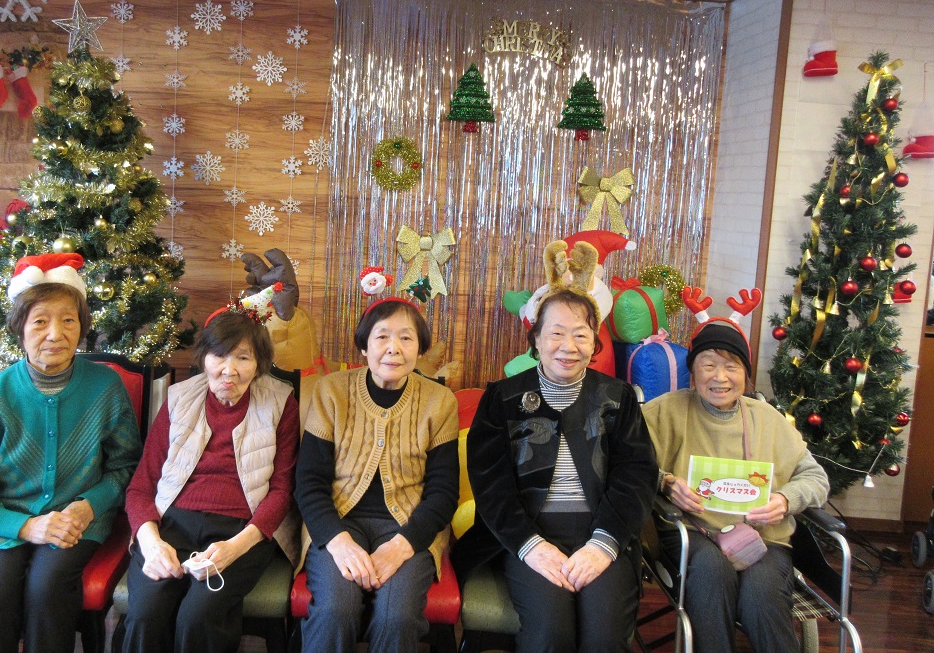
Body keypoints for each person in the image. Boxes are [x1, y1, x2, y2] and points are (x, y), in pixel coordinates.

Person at [454, 239, 658, 652]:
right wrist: (531, 546)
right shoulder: (502, 398)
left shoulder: (617, 398)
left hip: (602, 530)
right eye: (556, 333)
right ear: (536, 339)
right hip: (526, 532)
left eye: (581, 334)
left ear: (594, 341)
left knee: (604, 637)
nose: (569, 346)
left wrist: (602, 545)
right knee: (550, 633)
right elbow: (491, 484)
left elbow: (636, 476)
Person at [0, 252, 142, 653]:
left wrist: (88, 507)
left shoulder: (105, 388)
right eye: (40, 321)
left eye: (68, 320)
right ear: (20, 327)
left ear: (81, 327)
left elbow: (127, 467)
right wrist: (26, 526)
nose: (56, 334)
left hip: (74, 521)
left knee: (47, 589)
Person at [641, 287, 830, 653]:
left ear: (745, 373)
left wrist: (785, 499)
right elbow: (626, 466)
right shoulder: (664, 411)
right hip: (691, 532)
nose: (720, 377)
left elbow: (816, 478)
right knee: (712, 572)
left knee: (762, 595)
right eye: (708, 365)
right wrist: (665, 482)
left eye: (731, 366)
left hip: (762, 537)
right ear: (692, 371)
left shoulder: (767, 419)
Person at [122, 291, 300, 653]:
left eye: (243, 357)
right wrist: (152, 544)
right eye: (219, 355)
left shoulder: (281, 401)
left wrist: (235, 548)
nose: (228, 369)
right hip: (171, 525)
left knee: (198, 617)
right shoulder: (178, 398)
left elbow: (282, 491)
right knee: (146, 613)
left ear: (259, 363)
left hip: (243, 530)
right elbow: (141, 486)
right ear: (204, 357)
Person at [294, 297, 459, 653]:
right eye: (382, 336)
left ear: (420, 348)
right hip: (338, 522)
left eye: (406, 338)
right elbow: (309, 483)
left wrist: (403, 545)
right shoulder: (331, 391)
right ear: (364, 346)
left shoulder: (440, 400)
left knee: (396, 617)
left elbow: (444, 492)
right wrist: (338, 541)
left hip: (409, 526)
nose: (393, 348)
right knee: (335, 610)